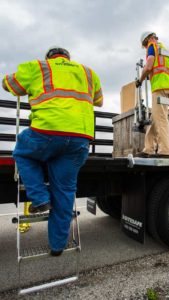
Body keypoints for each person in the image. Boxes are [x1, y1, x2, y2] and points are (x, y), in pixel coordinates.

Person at [2, 47, 103, 256]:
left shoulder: (38, 67)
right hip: (80, 138)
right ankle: (57, 247)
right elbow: (99, 101)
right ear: (68, 58)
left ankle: (39, 198)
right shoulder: (88, 73)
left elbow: (8, 84)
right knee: (65, 192)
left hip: (46, 132)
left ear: (50, 57)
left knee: (21, 152)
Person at [135, 31, 169, 158]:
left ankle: (165, 151)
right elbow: (158, 68)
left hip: (160, 87)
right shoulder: (163, 48)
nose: (145, 48)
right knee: (154, 119)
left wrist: (140, 80)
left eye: (144, 45)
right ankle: (149, 149)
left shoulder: (152, 46)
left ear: (146, 41)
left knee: (160, 119)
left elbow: (148, 66)